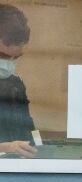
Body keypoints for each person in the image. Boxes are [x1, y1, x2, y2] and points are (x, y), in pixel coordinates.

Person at [0, 3, 36, 158]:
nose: (10, 63)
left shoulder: (16, 84)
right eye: (5, 57)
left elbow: (29, 129)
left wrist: (41, 145)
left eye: (16, 57)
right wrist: (6, 148)